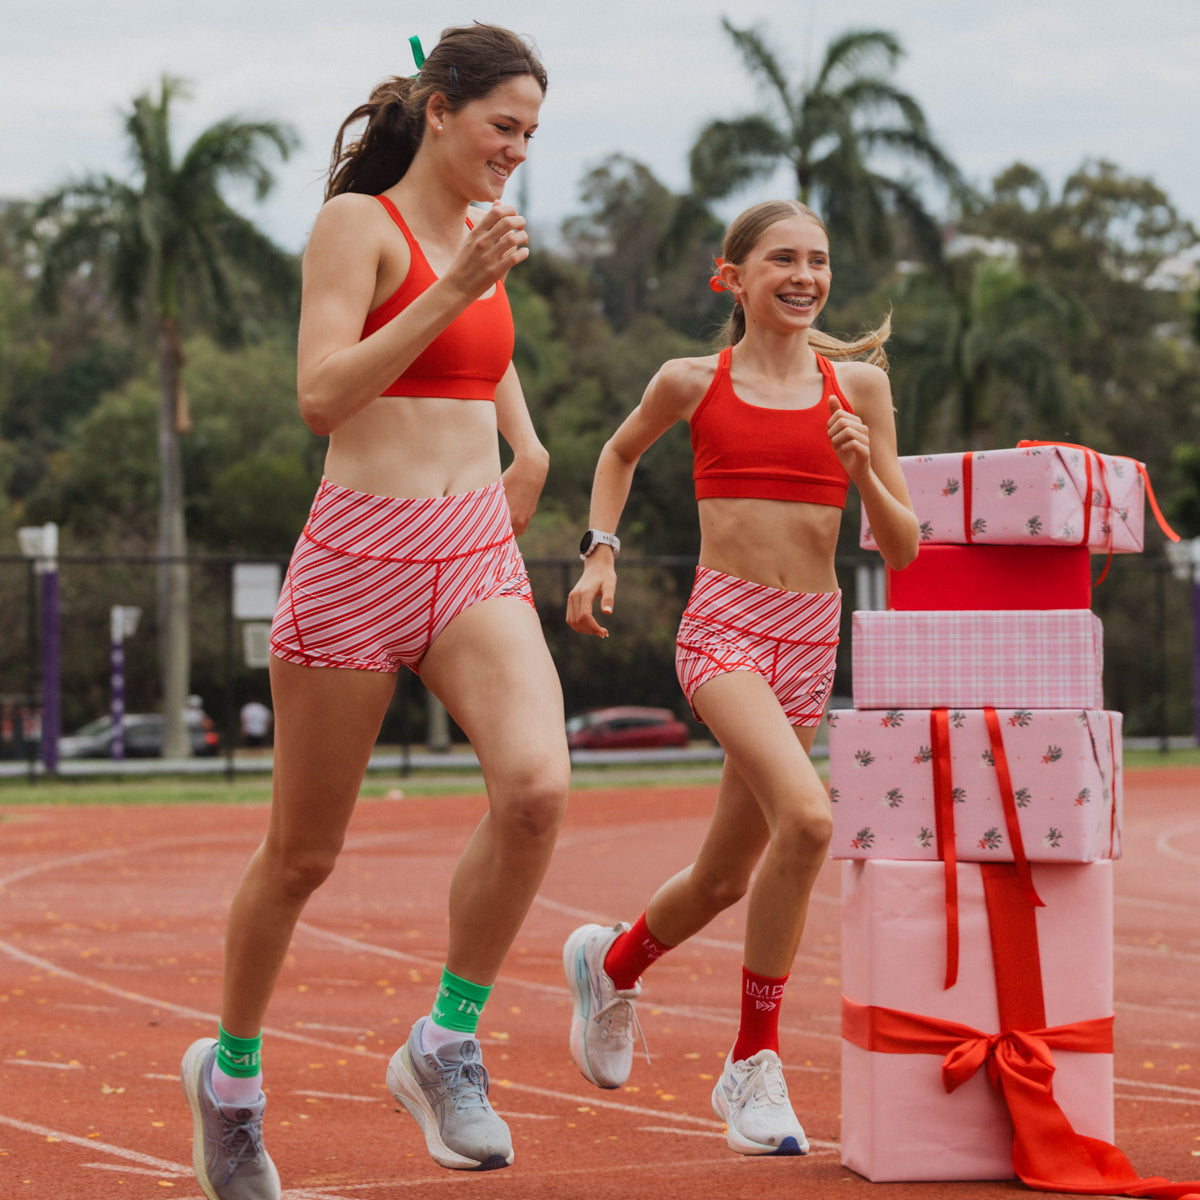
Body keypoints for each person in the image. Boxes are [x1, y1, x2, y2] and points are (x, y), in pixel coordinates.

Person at [180, 23, 569, 1197]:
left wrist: (531, 447)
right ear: (439, 109)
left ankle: (446, 1041)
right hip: (357, 554)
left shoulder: (477, 238)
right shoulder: (362, 226)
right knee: (302, 857)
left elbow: (482, 362)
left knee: (539, 790)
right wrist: (454, 281)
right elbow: (322, 392)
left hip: (470, 551)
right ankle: (231, 1082)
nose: (517, 151)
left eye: (532, 135)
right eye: (503, 126)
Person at [564, 198, 918, 1157]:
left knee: (724, 875)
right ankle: (752, 1064)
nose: (805, 276)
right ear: (734, 278)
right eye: (783, 260)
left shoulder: (860, 392)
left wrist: (867, 471)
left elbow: (906, 546)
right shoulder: (691, 380)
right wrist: (601, 553)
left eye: (820, 260)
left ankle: (614, 960)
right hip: (724, 628)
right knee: (808, 821)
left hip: (811, 635)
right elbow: (617, 451)